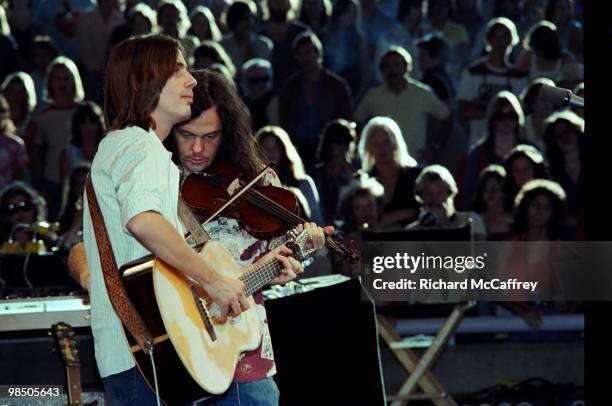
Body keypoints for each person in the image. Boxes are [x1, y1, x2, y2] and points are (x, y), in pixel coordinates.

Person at [79, 35, 324, 405]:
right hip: (146, 357)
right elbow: (143, 221)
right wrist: (213, 281)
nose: (191, 79)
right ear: (140, 81)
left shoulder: (118, 146)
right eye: (177, 70)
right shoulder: (141, 146)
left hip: (140, 353)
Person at [166, 69, 332, 404]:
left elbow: (279, 257)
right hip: (176, 350)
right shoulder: (156, 182)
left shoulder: (254, 184)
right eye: (186, 135)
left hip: (243, 355)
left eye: (210, 137)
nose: (197, 148)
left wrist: (292, 259)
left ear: (226, 133)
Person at [354, 46, 450, 162]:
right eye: (387, 66)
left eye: (397, 65)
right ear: (381, 70)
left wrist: (435, 148)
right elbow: (356, 121)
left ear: (407, 68)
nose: (392, 71)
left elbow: (446, 117)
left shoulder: (422, 93)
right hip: (382, 164)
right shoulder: (373, 96)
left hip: (415, 162)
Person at [278, 31, 353, 169]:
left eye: (308, 52)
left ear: (318, 53)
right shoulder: (290, 87)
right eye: (300, 53)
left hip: (329, 148)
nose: (306, 57)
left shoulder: (337, 85)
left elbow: (345, 119)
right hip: (298, 147)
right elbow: (284, 121)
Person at [358, 116, 421, 230]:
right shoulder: (362, 181)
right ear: (368, 148)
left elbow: (423, 214)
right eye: (375, 143)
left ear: (395, 143)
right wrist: (402, 214)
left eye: (386, 141)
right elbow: (361, 223)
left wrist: (387, 224)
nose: (381, 148)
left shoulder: (416, 176)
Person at [406, 164, 486, 240]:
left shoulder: (470, 220)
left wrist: (445, 227)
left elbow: (479, 251)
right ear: (421, 197)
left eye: (439, 193)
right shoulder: (411, 231)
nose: (434, 199)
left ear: (449, 193)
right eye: (428, 194)